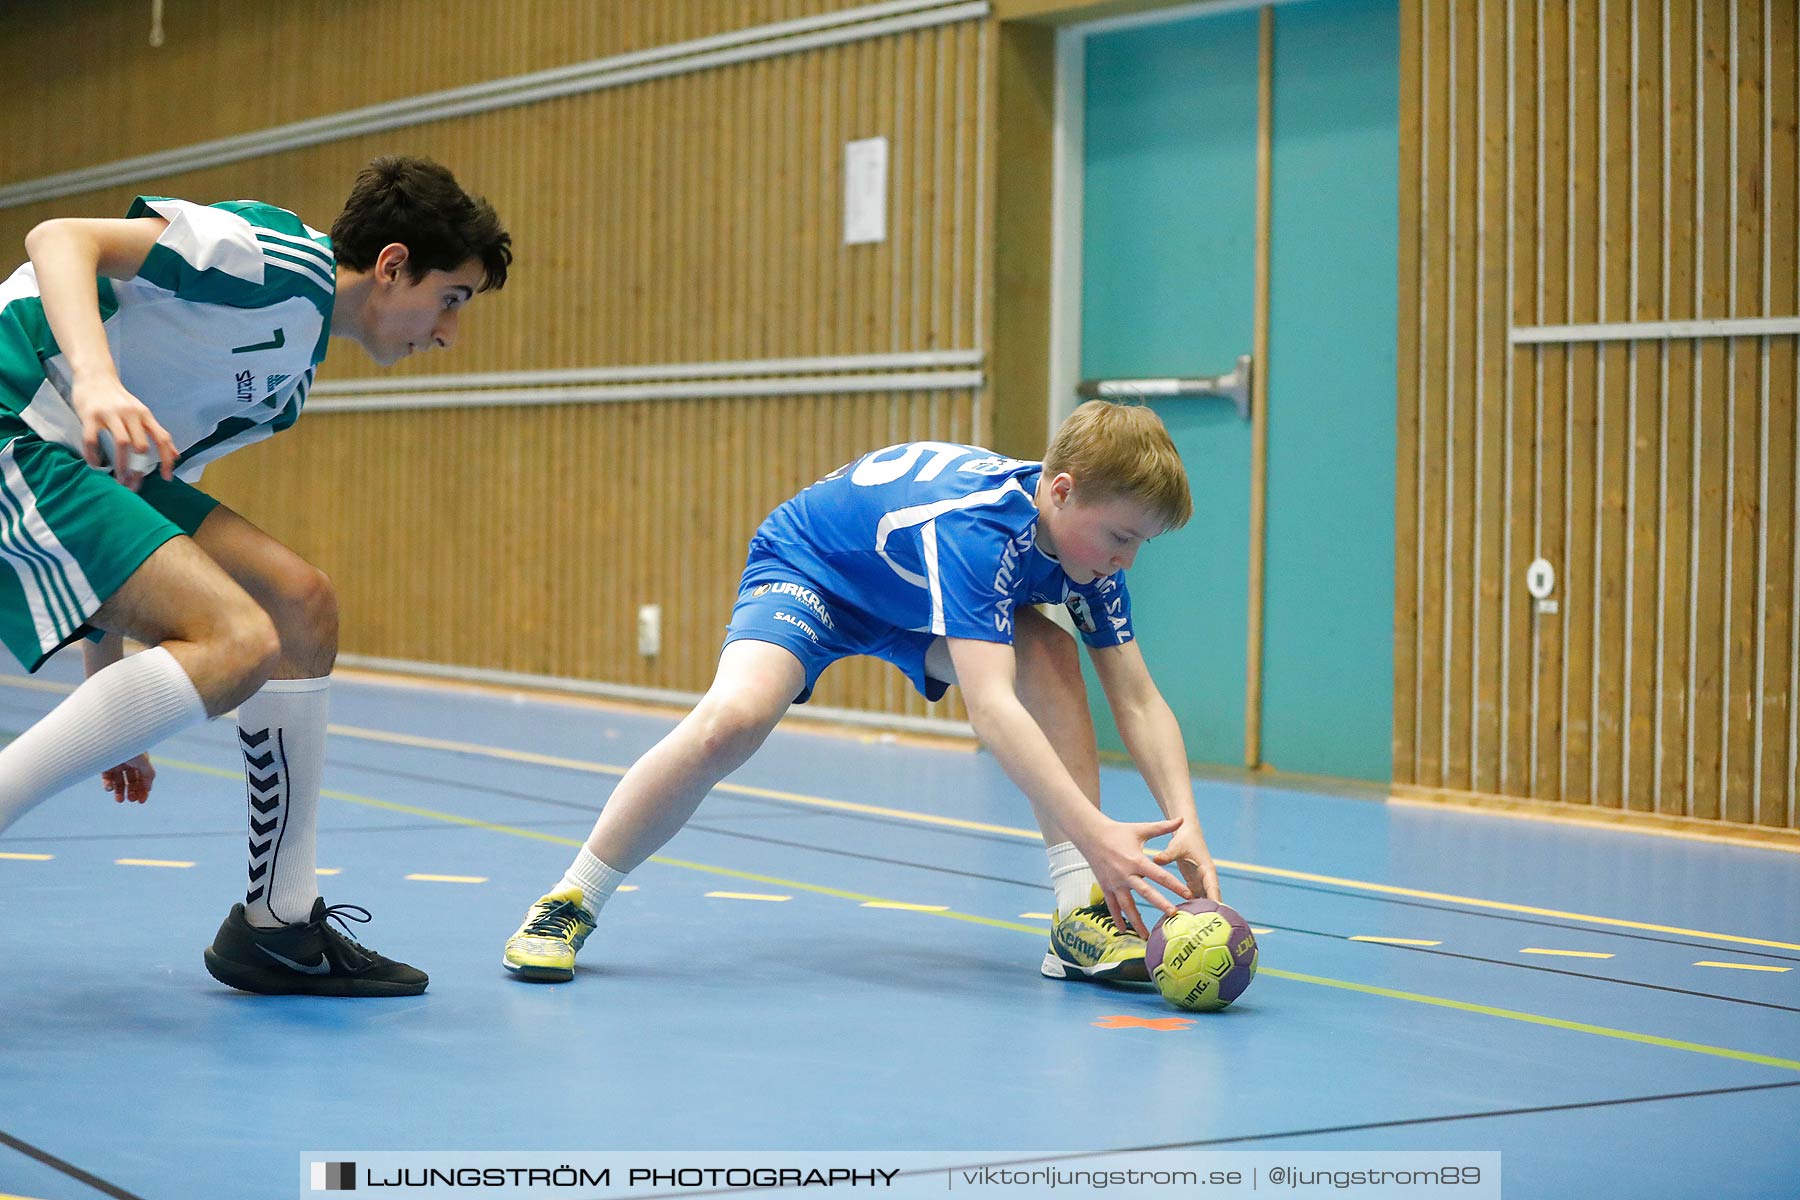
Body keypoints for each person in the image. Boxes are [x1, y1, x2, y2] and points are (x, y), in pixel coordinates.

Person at [0, 156, 511, 996]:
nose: (449, 332)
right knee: (239, 641)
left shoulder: (283, 388)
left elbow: (133, 506)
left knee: (299, 602)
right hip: (19, 403)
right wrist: (95, 379)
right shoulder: (272, 259)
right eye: (451, 299)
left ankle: (277, 924)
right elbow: (59, 238)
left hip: (78, 458)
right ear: (392, 266)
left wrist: (114, 682)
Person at [503, 400, 1221, 986]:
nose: (1126, 561)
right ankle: (569, 899)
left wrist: (1184, 819)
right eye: (1122, 538)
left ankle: (1077, 915)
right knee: (733, 721)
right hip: (816, 572)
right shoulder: (977, 531)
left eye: (1140, 546)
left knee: (1051, 653)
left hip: (914, 601)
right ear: (1060, 492)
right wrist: (1097, 833)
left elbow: (1137, 698)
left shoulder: (1089, 555)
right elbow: (993, 710)